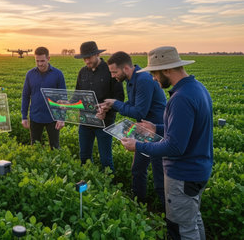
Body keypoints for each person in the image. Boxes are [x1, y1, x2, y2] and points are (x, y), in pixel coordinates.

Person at [121, 46, 213, 240]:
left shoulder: (181, 98)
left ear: (166, 70)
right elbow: (187, 129)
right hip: (198, 170)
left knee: (181, 230)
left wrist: (137, 146)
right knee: (193, 220)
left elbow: (174, 147)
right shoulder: (197, 88)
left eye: (154, 73)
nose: (153, 79)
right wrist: (156, 128)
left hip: (183, 175)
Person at [99, 51, 166, 208]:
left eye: (115, 72)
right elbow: (131, 104)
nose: (113, 76)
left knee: (159, 177)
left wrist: (115, 103)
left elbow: (139, 112)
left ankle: (167, 216)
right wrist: (110, 106)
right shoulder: (132, 80)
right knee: (137, 169)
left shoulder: (143, 79)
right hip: (143, 130)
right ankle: (139, 206)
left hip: (156, 131)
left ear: (127, 68)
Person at [74, 41, 124, 172]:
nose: (86, 61)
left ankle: (110, 189)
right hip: (85, 122)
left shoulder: (110, 71)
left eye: (89, 57)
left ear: (97, 54)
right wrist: (68, 104)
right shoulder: (82, 72)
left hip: (104, 123)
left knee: (106, 160)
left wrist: (107, 108)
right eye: (84, 58)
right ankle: (87, 186)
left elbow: (120, 98)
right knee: (84, 157)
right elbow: (77, 95)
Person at [21, 47, 66, 149]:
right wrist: (24, 116)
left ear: (48, 58)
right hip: (35, 116)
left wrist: (61, 117)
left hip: (53, 117)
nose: (40, 64)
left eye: (42, 61)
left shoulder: (58, 74)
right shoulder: (30, 74)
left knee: (55, 147)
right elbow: (25, 96)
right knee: (35, 146)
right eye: (37, 61)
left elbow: (63, 97)